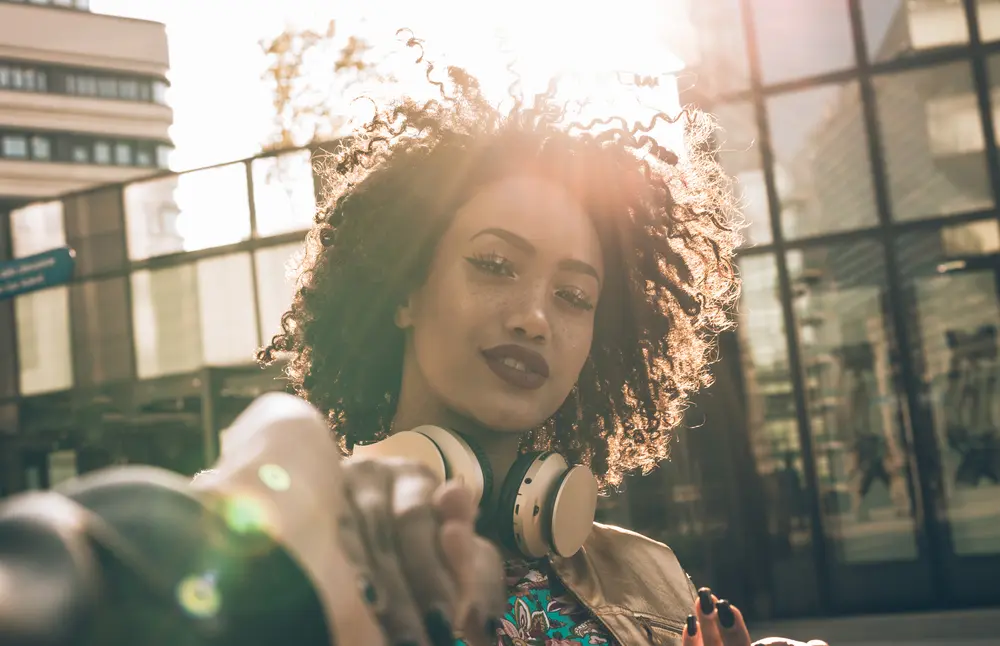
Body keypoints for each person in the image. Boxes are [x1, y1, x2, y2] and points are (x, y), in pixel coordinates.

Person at [253, 43, 825, 646]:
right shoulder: (283, 555)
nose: (534, 319)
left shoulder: (654, 581)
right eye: (495, 265)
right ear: (404, 291)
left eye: (574, 297)